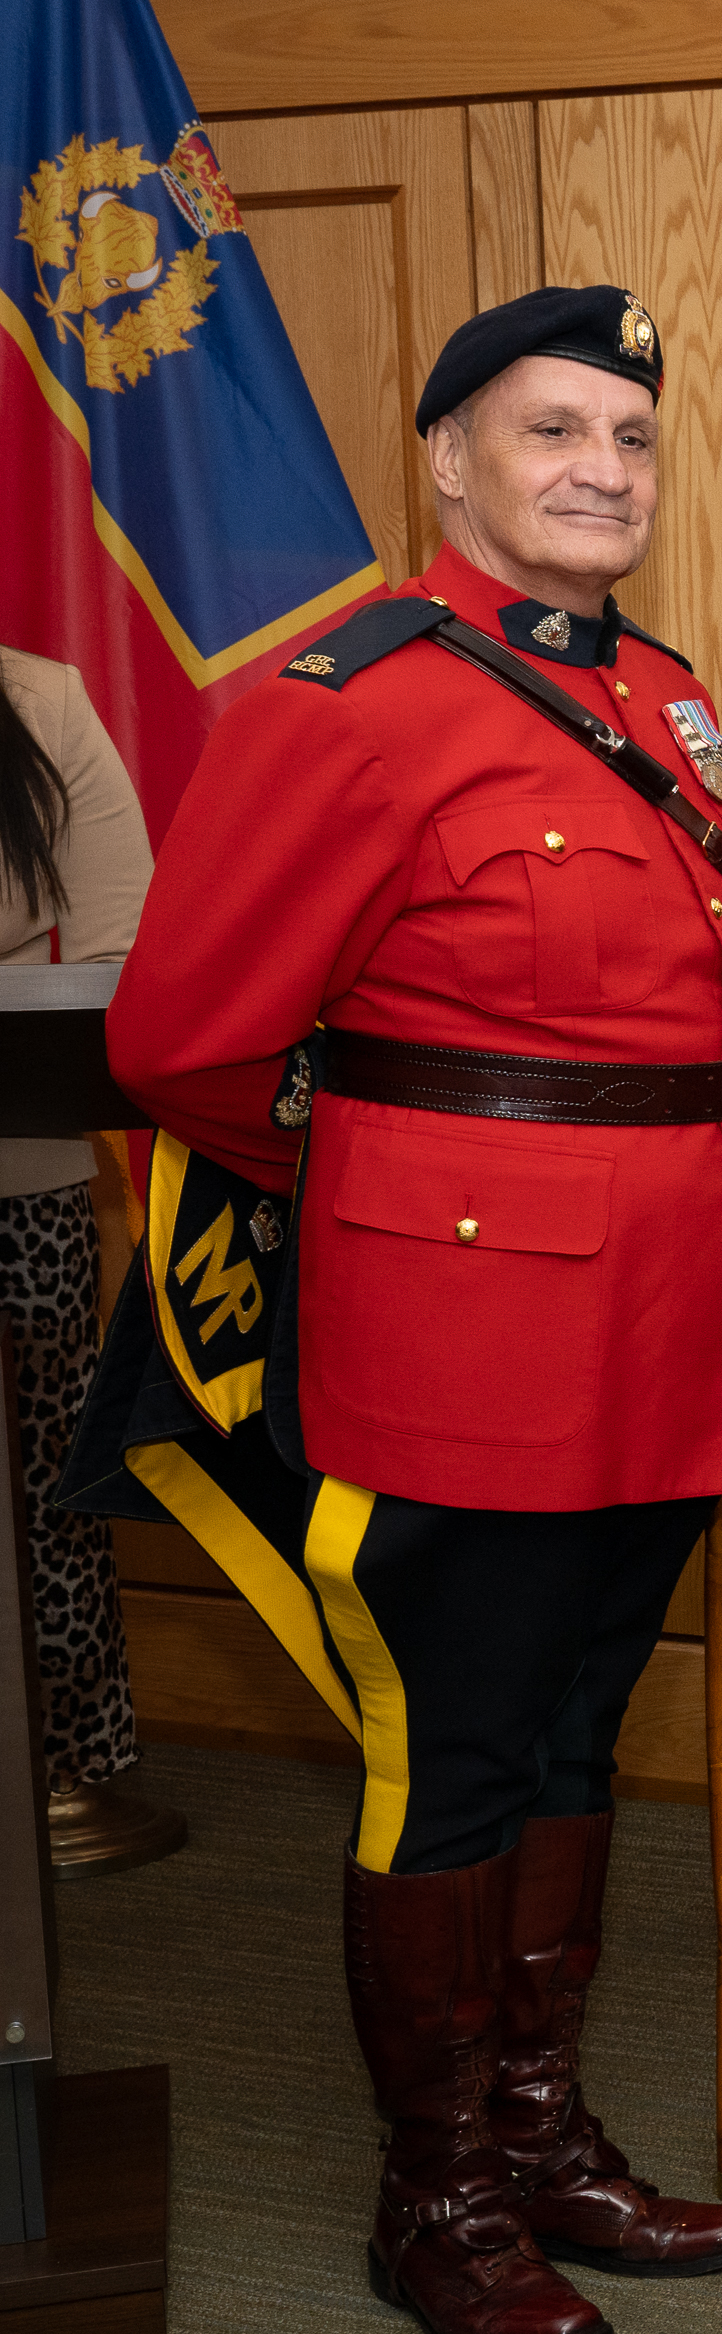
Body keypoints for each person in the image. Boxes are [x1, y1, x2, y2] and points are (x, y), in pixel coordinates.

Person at [106, 286, 722, 2334]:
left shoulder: (662, 697)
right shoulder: (343, 696)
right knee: (453, 1749)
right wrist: (415, 1196)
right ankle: (438, 2194)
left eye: (631, 439)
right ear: (450, 461)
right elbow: (191, 1042)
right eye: (551, 430)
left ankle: (546, 2134)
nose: (601, 470)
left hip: (677, 1314)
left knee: (581, 1729)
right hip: (468, 1321)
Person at [0, 647, 161, 1862]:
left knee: (40, 1495)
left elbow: (123, 946)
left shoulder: (37, 699)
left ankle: (64, 1766)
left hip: (22, 1176)